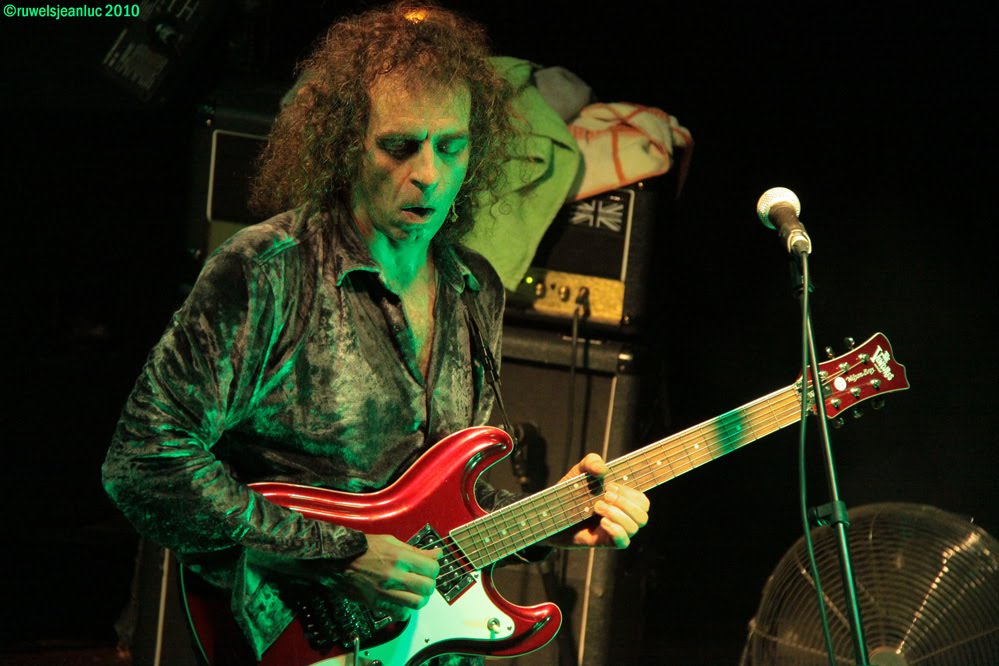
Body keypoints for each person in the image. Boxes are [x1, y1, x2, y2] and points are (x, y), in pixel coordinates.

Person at [102, 2, 651, 664]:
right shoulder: (269, 271)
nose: (428, 173)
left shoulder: (472, 286)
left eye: (451, 146)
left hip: (426, 646)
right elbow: (143, 462)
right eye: (399, 146)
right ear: (344, 144)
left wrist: (554, 518)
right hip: (295, 635)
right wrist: (340, 555)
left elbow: (440, 494)